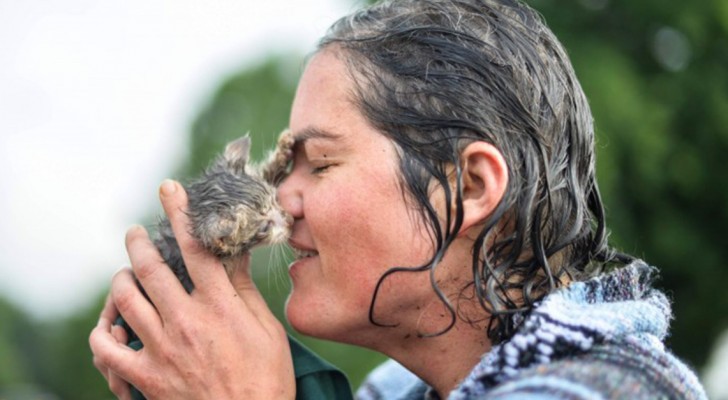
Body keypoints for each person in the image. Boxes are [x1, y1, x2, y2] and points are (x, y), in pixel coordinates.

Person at [89, 0, 708, 398]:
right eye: (285, 164)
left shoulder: (614, 392)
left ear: (468, 187)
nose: (285, 197)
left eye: (322, 163)